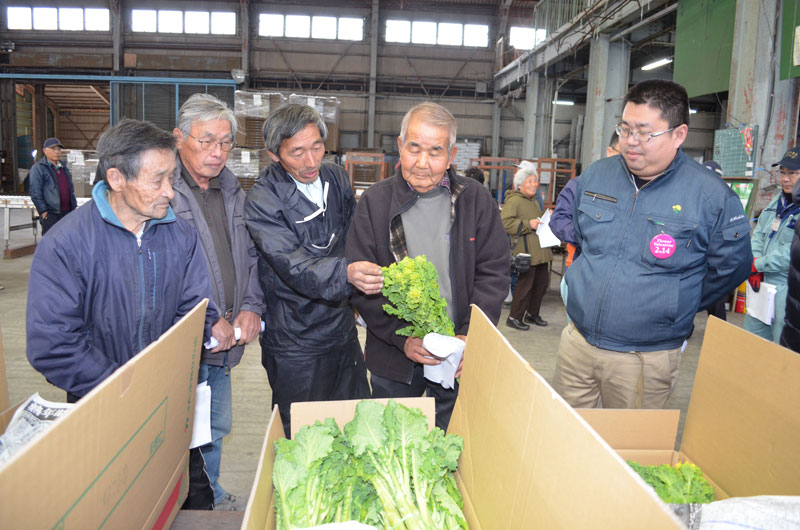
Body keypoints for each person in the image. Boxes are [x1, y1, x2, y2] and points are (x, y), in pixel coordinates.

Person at [553, 79, 752, 409]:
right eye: (625, 129)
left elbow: (732, 267)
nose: (631, 142)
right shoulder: (596, 177)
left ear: (679, 135)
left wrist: (675, 301)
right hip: (578, 345)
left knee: (629, 451)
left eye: (645, 132)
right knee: (568, 442)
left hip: (645, 357)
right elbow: (583, 239)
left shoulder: (710, 196)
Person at [26, 119, 218, 403]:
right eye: (157, 180)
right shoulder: (66, 244)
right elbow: (52, 342)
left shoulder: (181, 235)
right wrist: (124, 386)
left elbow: (196, 314)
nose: (170, 192)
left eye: (172, 178)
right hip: (100, 402)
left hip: (166, 394)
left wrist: (165, 374)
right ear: (116, 179)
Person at [346, 102, 509, 431]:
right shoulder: (374, 203)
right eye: (414, 148)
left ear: (451, 156)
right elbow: (363, 285)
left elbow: (493, 273)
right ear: (400, 146)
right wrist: (401, 338)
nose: (422, 164)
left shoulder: (475, 200)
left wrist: (469, 335)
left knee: (455, 450)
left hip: (459, 359)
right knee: (393, 450)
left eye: (435, 152)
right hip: (393, 361)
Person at [244, 104, 379, 437]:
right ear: (274, 154)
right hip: (295, 340)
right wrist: (346, 274)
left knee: (357, 423)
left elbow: (352, 235)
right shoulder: (263, 200)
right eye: (297, 152)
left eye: (317, 146)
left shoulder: (334, 177)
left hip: (341, 331)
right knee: (305, 435)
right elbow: (293, 264)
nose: (311, 162)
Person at [170, 93, 265, 511]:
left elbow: (249, 256)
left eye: (225, 142)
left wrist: (250, 305)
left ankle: (211, 494)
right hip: (185, 337)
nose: (218, 152)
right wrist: (208, 318)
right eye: (206, 141)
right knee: (179, 429)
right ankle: (184, 499)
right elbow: (169, 271)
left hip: (224, 339)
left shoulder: (231, 191)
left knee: (213, 424)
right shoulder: (164, 192)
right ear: (179, 138)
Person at [743, 148, 800, 343]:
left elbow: (793, 252)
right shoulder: (778, 200)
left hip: (788, 287)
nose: (785, 179)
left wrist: (758, 265)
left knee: (782, 348)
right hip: (762, 282)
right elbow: (759, 233)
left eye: (792, 173)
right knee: (753, 342)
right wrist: (755, 261)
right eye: (783, 172)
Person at [502, 165, 553, 330]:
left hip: (541, 250)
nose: (534, 184)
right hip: (526, 251)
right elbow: (505, 223)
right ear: (520, 185)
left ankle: (532, 314)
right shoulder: (514, 200)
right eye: (529, 181)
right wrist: (527, 224)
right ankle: (514, 317)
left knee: (541, 284)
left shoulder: (534, 201)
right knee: (525, 286)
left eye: (535, 181)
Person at [29, 137, 77, 234]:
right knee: (50, 243)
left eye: (59, 149)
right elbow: (35, 192)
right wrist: (44, 212)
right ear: (45, 151)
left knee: (66, 241)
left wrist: (73, 207)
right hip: (51, 214)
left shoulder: (64, 167)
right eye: (53, 149)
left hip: (67, 212)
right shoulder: (39, 168)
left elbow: (70, 189)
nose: (57, 152)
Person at [700, 160, 728, 322]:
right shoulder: (690, 197)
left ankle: (718, 330)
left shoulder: (726, 200)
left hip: (715, 260)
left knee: (716, 301)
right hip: (694, 258)